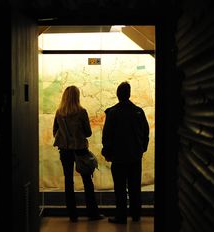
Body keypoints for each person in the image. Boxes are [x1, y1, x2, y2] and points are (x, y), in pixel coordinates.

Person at [53, 85, 104, 222]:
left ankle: (72, 215)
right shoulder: (81, 112)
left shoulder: (59, 112)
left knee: (68, 181)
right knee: (87, 181)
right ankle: (92, 213)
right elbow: (88, 133)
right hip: (80, 150)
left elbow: (54, 132)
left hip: (65, 150)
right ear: (77, 97)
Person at [101, 81, 149, 224]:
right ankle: (136, 215)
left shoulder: (113, 113)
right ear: (129, 94)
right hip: (135, 157)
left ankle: (121, 216)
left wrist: (108, 153)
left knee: (120, 189)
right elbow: (145, 133)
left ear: (117, 95)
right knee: (135, 187)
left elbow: (107, 136)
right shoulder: (139, 112)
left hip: (118, 158)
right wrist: (142, 149)